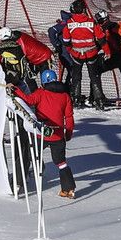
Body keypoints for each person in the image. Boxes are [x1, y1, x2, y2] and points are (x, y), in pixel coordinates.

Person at [12, 69, 76, 198]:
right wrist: (68, 133)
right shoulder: (65, 96)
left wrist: (15, 90)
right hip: (57, 135)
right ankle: (68, 189)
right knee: (61, 162)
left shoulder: (41, 93)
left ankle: (18, 182)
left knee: (28, 155)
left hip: (41, 133)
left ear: (43, 82)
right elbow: (69, 117)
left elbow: (28, 100)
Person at [61, 0, 108, 108]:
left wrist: (71, 50)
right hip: (91, 53)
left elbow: (66, 41)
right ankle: (99, 100)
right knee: (94, 77)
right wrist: (107, 51)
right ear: (83, 10)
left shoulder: (69, 24)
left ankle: (76, 99)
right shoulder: (91, 22)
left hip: (77, 54)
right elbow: (101, 38)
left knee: (76, 76)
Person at [0, 26, 52, 91]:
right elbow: (6, 34)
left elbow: (20, 59)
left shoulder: (17, 45)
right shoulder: (16, 35)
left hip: (43, 57)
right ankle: (36, 93)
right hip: (38, 56)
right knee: (29, 78)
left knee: (45, 82)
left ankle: (43, 94)